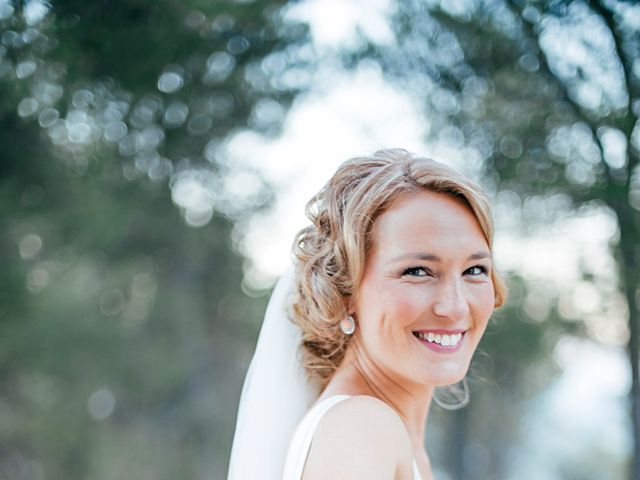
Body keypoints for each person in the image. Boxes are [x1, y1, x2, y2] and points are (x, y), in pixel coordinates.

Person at [227, 148, 507, 480]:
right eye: (418, 272)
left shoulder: (385, 432)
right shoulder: (362, 429)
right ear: (344, 293)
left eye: (474, 269)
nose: (456, 306)